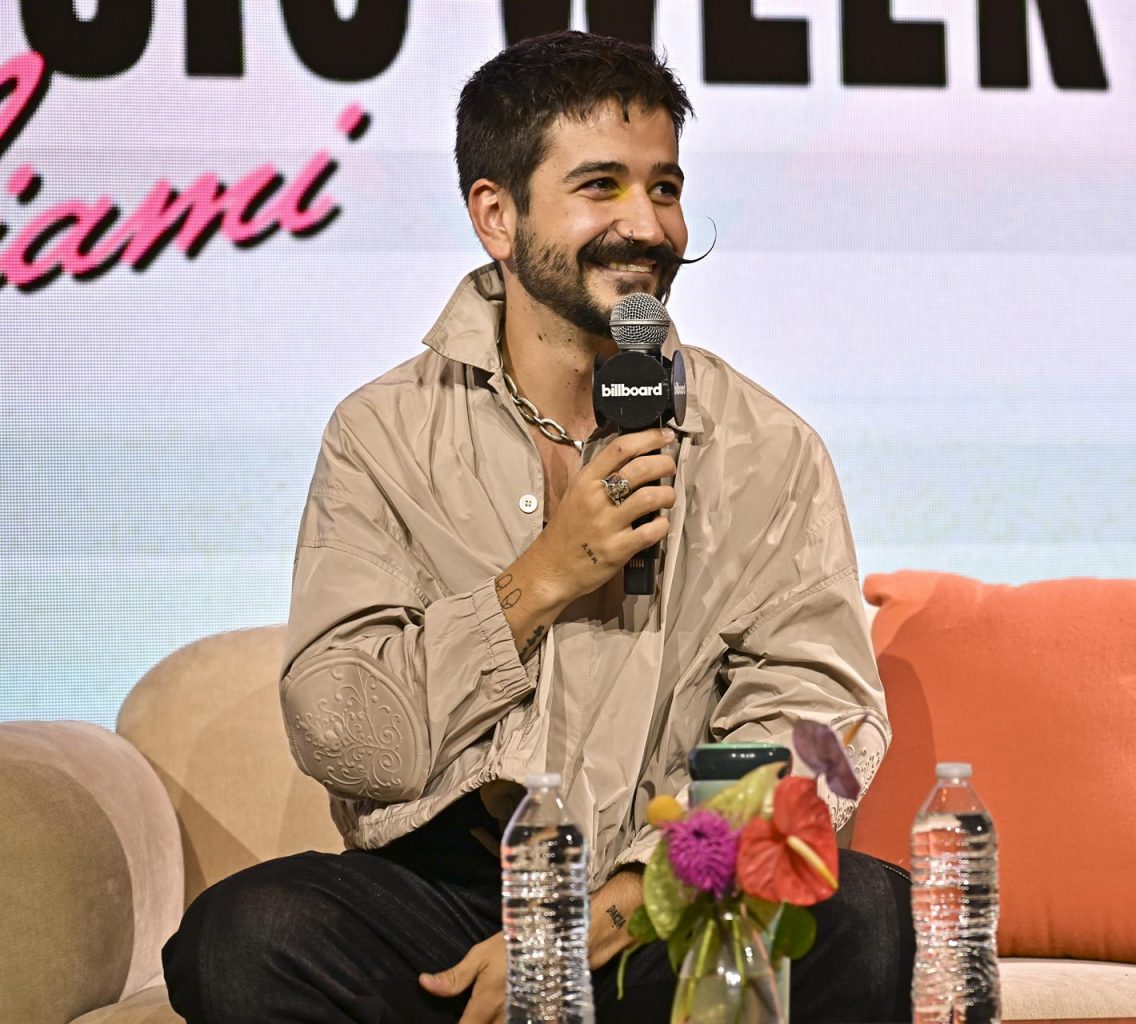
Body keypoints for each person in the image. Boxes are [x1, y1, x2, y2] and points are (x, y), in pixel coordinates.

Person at [162, 30, 912, 1024]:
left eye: (666, 188)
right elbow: (348, 736)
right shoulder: (383, 433)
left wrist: (627, 904)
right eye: (601, 187)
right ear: (496, 216)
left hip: (665, 899)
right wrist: (544, 575)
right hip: (452, 899)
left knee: (866, 914)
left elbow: (821, 723)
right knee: (242, 935)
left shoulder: (767, 446)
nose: (646, 225)